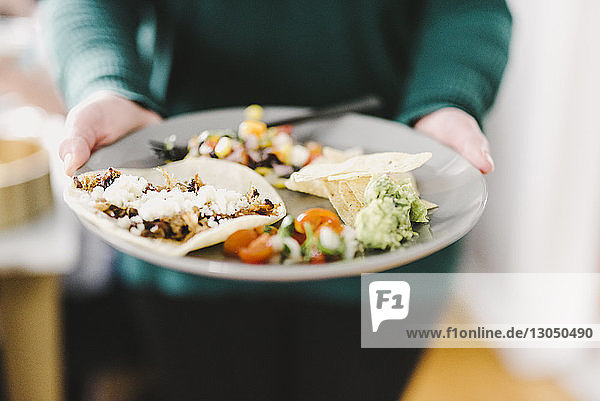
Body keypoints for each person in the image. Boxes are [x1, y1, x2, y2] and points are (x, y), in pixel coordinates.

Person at [44, 1, 512, 400]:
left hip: (396, 258)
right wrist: (105, 81)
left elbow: (467, 6)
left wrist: (447, 100)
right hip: (180, 237)